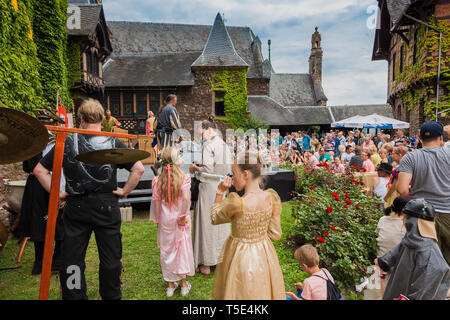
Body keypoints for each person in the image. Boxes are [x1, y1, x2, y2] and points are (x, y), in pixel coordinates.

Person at [33, 99, 145, 300]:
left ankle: (74, 296)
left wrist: (58, 193)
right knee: (111, 259)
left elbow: (39, 170)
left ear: (81, 119)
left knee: (72, 260)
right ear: (103, 119)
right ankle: (111, 296)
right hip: (107, 207)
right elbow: (139, 168)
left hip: (76, 207)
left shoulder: (67, 141)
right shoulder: (113, 141)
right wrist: (124, 191)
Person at [210, 151, 285, 299]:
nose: (232, 178)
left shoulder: (238, 203)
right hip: (264, 254)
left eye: (233, 173)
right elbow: (275, 233)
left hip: (241, 257)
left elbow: (214, 217)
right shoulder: (270, 197)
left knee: (240, 291)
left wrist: (219, 192)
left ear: (245, 174)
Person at [17, 111, 66, 275]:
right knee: (57, 220)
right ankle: (55, 262)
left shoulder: (29, 139)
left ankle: (40, 263)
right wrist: (61, 190)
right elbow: (58, 165)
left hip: (35, 185)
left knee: (39, 222)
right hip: (50, 181)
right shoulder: (54, 140)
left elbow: (26, 167)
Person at [396, 121, 450, 266]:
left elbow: (401, 189)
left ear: (420, 138)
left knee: (427, 265)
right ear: (440, 137)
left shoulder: (410, 157)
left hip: (422, 215)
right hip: (448, 213)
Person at [375, 199, 450, 300]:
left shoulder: (428, 253)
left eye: (406, 217)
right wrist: (384, 262)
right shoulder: (410, 240)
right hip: (399, 284)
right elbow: (399, 248)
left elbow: (426, 286)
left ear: (415, 222)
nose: (403, 220)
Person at [189, 116, 232, 275]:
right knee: (220, 223)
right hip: (222, 186)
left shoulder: (208, 145)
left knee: (207, 223)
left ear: (208, 130)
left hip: (209, 188)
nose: (201, 137)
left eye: (201, 133)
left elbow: (207, 168)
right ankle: (221, 259)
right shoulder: (224, 144)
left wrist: (194, 168)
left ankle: (206, 264)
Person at [149, 147, 194, 297]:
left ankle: (170, 285)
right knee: (181, 249)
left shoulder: (157, 180)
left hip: (165, 221)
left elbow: (156, 202)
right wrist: (182, 216)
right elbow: (186, 199)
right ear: (176, 161)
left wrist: (157, 218)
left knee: (166, 250)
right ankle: (183, 284)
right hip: (180, 220)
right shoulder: (184, 178)